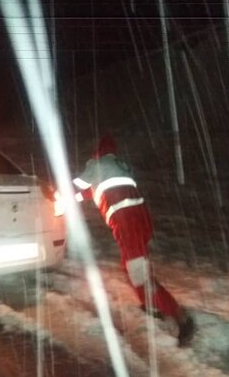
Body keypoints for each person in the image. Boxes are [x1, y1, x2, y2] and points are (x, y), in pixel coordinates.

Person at [73, 134, 195, 347]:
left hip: (127, 226)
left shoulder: (97, 165)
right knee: (131, 269)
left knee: (140, 276)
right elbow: (90, 193)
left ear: (97, 152)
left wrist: (57, 195)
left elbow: (77, 185)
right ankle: (150, 305)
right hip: (141, 222)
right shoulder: (120, 166)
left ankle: (181, 318)